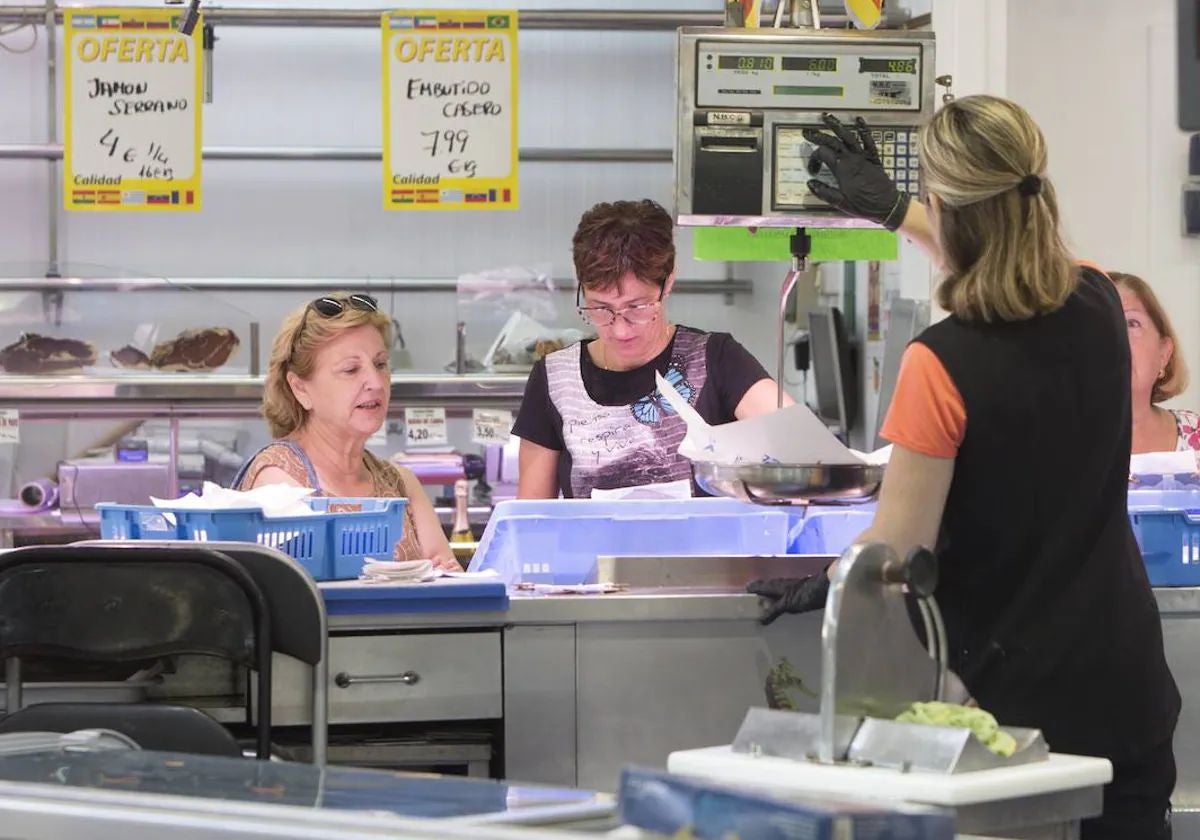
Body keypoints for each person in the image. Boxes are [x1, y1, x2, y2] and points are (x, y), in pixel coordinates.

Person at [752, 99, 1179, 839]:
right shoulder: (1101, 302)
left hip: (1005, 712)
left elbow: (893, 557)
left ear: (947, 206)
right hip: (1124, 687)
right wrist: (898, 211)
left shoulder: (941, 364)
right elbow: (1010, 250)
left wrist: (827, 577)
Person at [512, 198, 792, 499]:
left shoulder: (714, 359)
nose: (619, 330)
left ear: (668, 282)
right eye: (600, 308)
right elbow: (531, 516)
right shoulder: (555, 379)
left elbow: (800, 443)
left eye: (638, 307)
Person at [232, 293, 458, 571]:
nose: (375, 382)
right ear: (300, 388)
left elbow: (449, 579)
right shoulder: (281, 485)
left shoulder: (402, 484)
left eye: (380, 364)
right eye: (351, 370)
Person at [1110, 272, 1199, 453]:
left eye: (1132, 323)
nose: (1116, 336)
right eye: (1103, 323)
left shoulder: (1195, 434)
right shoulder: (1052, 439)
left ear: (1164, 353)